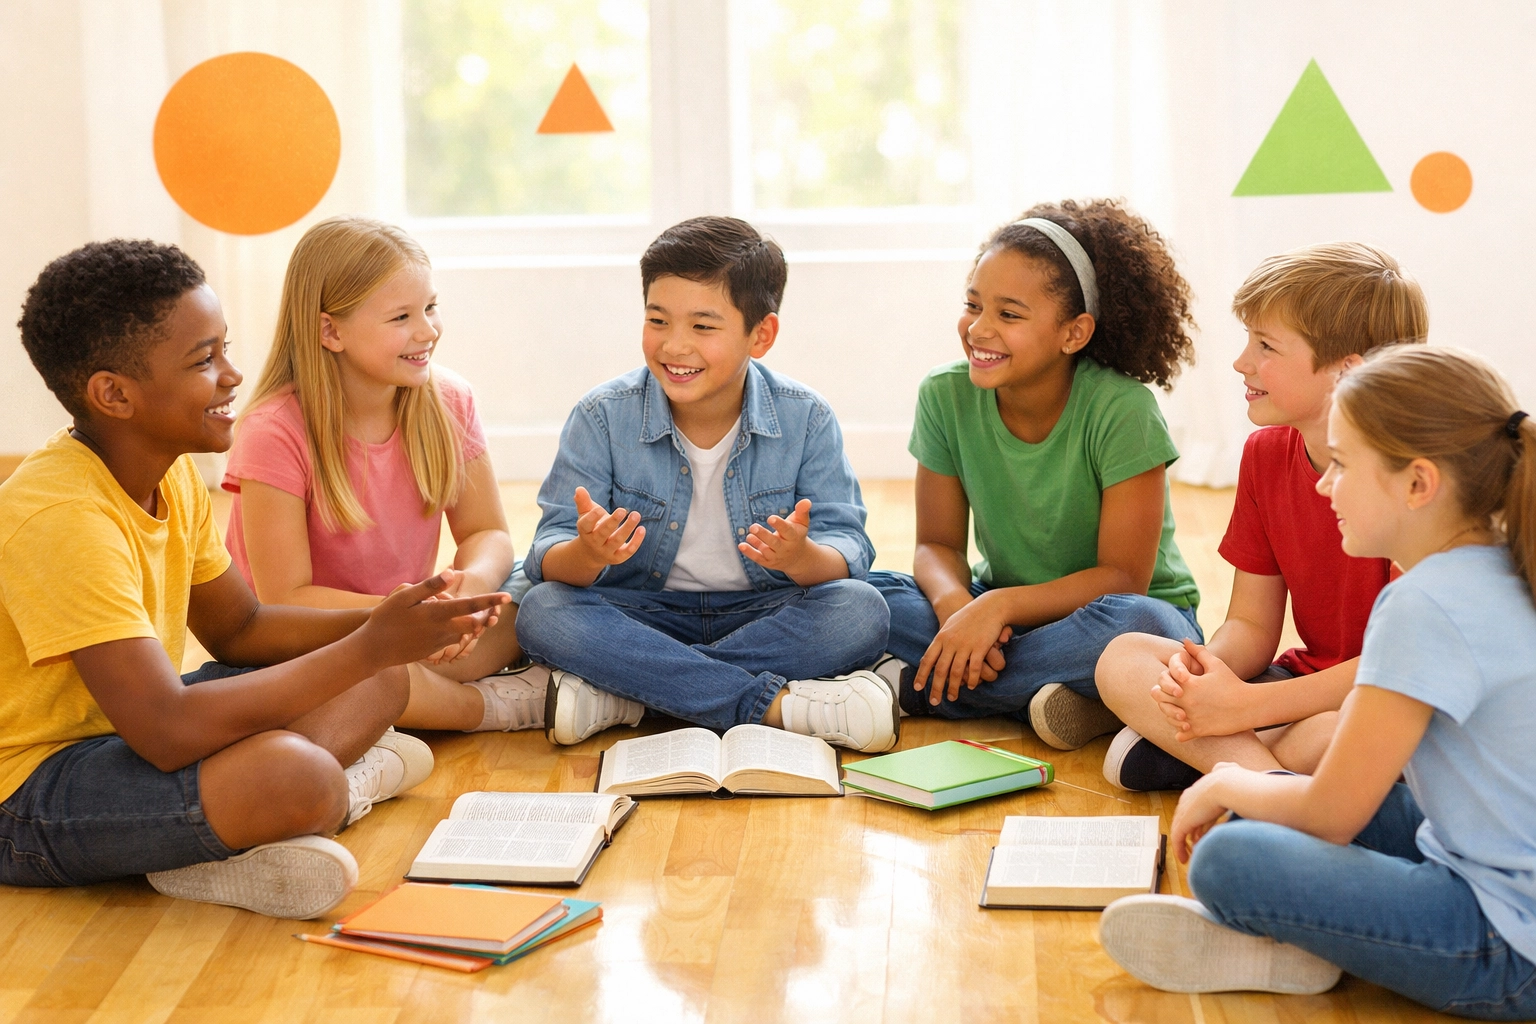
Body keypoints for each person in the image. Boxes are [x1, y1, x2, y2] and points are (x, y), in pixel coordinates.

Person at [0, 240, 508, 918]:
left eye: (224, 349)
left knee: (377, 677)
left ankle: (234, 832)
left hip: (123, 735)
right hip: (29, 795)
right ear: (115, 394)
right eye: (203, 360)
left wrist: (390, 626)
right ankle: (304, 804)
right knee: (299, 775)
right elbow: (167, 731)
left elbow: (240, 627)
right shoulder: (59, 515)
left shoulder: (167, 470)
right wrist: (369, 643)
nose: (234, 375)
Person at [1100, 346, 1536, 1020]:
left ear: (1418, 484)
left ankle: (1299, 948)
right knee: (1260, 805)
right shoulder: (1500, 568)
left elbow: (1334, 813)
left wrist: (1222, 779)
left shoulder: (1423, 606)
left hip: (1508, 949)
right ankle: (1313, 939)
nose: (1324, 486)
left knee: (1229, 856)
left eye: (1341, 465)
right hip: (1473, 857)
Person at [514, 216, 896, 752]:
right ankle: (772, 706)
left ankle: (630, 694)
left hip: (763, 614)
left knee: (862, 609)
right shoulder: (601, 416)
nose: (674, 346)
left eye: (703, 326)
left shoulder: (805, 417)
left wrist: (800, 557)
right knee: (543, 611)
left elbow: (849, 547)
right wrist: (587, 551)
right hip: (641, 615)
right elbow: (548, 554)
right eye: (658, 320)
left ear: (760, 335)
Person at [866, 199, 1200, 750]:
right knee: (867, 599)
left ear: (1074, 333)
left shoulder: (1123, 409)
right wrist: (961, 614)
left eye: (1009, 314)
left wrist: (997, 609)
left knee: (1139, 628)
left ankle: (926, 690)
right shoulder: (945, 395)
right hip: (1004, 616)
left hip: (1123, 619)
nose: (978, 329)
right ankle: (1080, 698)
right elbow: (935, 545)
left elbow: (1124, 579)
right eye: (972, 305)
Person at [1095, 243, 1427, 790]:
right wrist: (1198, 682)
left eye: (1266, 345)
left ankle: (1220, 763)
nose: (1241, 361)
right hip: (1295, 689)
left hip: (1385, 693)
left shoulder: (1413, 480)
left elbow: (1398, 669)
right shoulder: (1266, 454)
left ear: (1347, 373)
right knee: (1124, 656)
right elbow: (1252, 625)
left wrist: (1242, 708)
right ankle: (1267, 779)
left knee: (1350, 729)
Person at [224, 217, 542, 735]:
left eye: (430, 307)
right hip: (322, 638)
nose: (428, 331)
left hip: (417, 623)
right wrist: (409, 617)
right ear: (331, 330)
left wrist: (471, 588)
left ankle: (410, 705)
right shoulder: (272, 431)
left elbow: (488, 532)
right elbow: (284, 598)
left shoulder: (449, 400)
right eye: (401, 317)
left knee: (542, 593)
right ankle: (489, 708)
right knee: (358, 675)